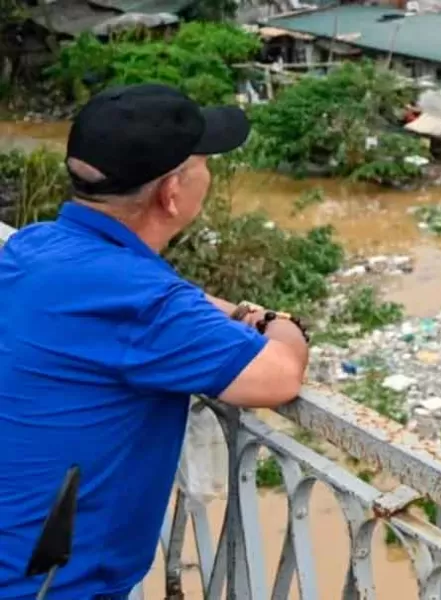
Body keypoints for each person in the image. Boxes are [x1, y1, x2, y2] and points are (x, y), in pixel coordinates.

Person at [0, 84, 309, 599]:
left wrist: (233, 313)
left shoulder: (37, 245)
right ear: (171, 192)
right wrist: (278, 321)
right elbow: (279, 374)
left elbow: (159, 299)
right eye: (205, 163)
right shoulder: (140, 304)